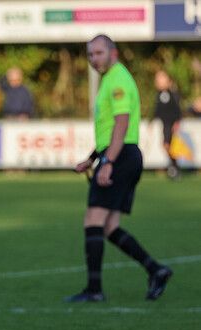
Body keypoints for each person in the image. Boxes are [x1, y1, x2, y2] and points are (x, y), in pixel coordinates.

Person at [67, 35, 172, 303]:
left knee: (93, 221)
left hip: (121, 156)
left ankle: (94, 290)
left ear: (113, 52)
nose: (94, 59)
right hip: (119, 154)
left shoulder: (118, 80)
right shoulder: (110, 79)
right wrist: (93, 158)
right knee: (109, 226)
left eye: (99, 53)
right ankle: (156, 269)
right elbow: (109, 131)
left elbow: (122, 126)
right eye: (90, 54)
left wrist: (108, 162)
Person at [152, 70, 183, 179]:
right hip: (165, 124)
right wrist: (152, 121)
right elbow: (157, 110)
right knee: (166, 146)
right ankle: (173, 166)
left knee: (168, 146)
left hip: (171, 123)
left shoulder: (172, 93)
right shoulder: (159, 94)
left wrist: (177, 122)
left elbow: (177, 109)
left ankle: (174, 167)